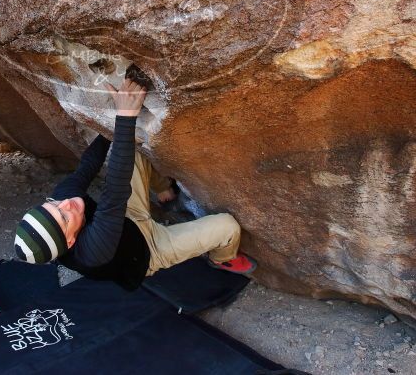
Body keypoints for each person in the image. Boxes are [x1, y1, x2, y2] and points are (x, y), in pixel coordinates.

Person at [13, 75, 257, 290]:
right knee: (227, 226)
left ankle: (162, 189)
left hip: (127, 217)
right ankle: (222, 258)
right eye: (64, 218)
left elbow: (88, 165)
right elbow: (114, 193)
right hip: (149, 250)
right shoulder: (92, 253)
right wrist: (125, 116)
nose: (67, 205)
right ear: (70, 241)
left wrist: (107, 124)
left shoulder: (63, 200)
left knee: (135, 151)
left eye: (54, 207)